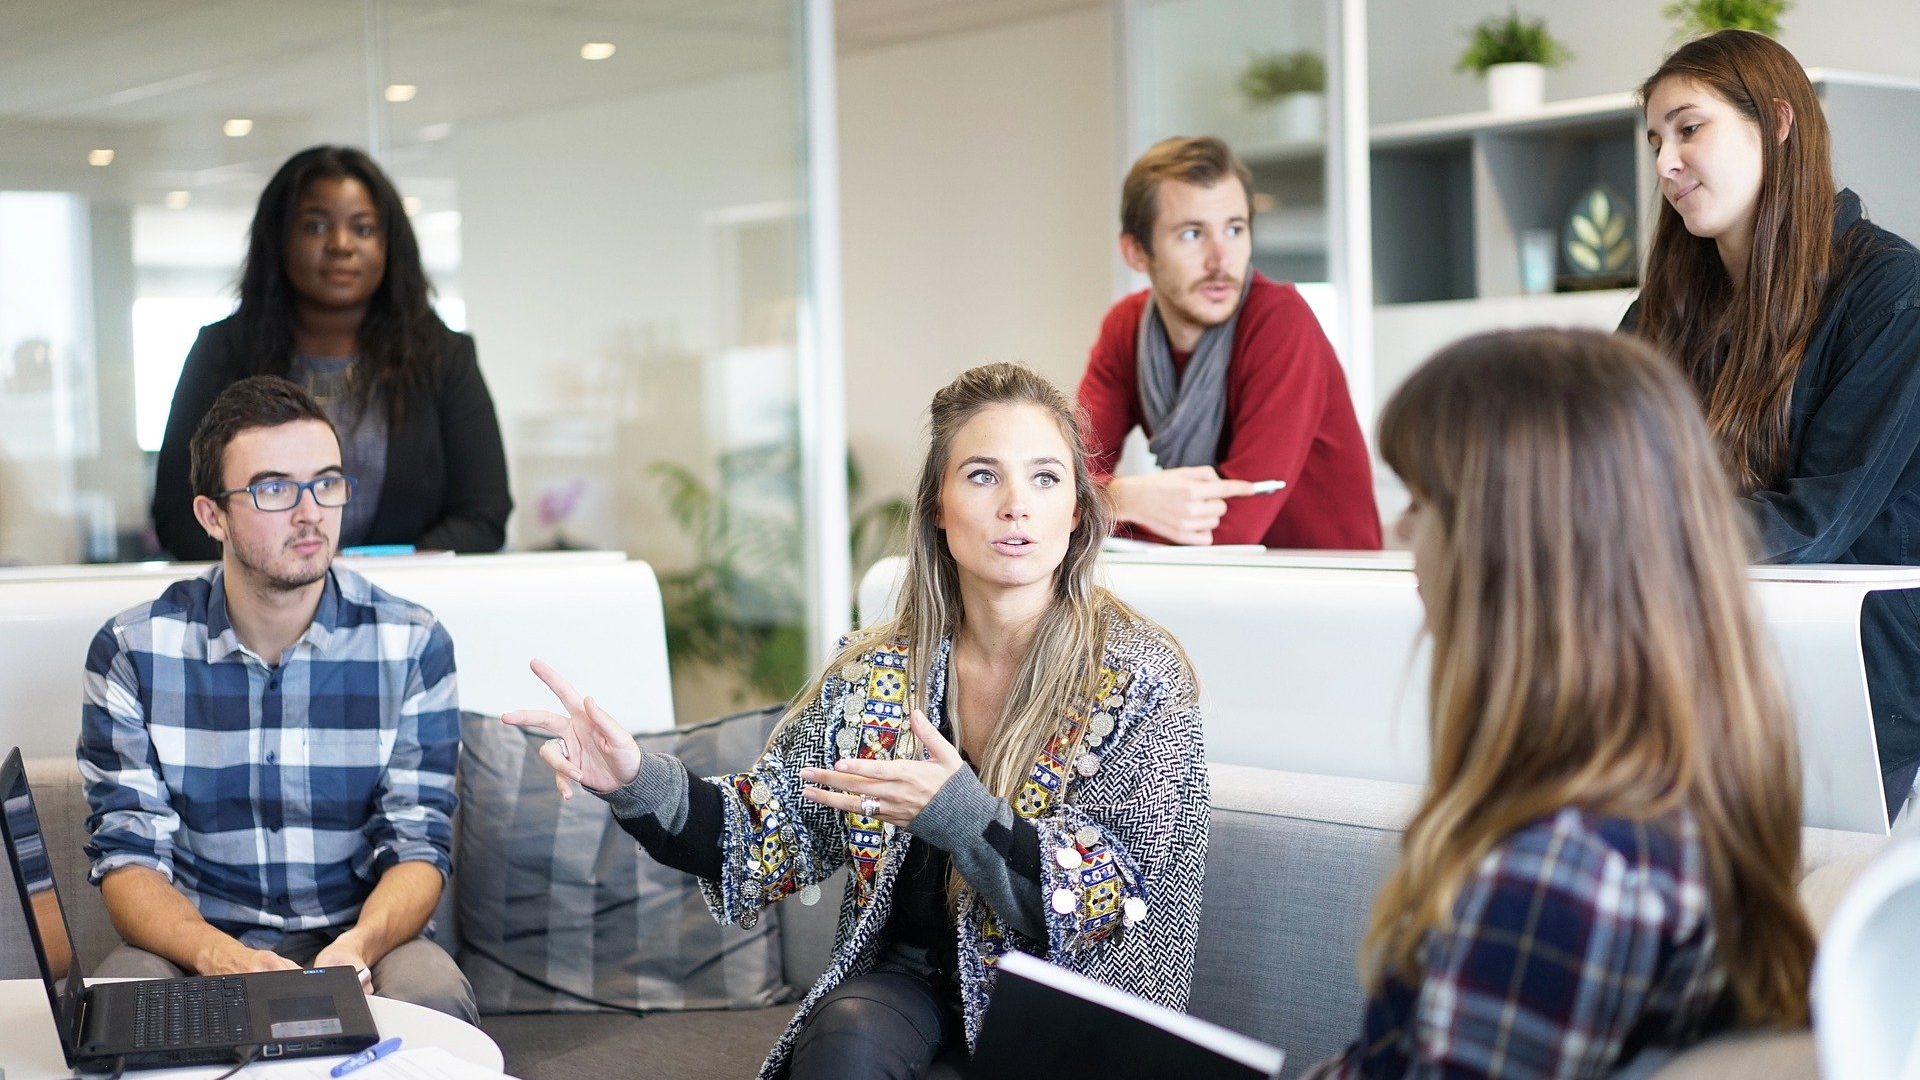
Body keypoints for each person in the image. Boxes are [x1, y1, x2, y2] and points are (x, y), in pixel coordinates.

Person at [507, 363, 1209, 1079]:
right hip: (910, 987)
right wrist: (632, 780)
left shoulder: (1139, 678)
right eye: (981, 476)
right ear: (937, 505)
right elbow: (766, 829)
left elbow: (1118, 902)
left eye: (1045, 478)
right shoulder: (877, 671)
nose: (1015, 506)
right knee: (844, 1043)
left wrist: (961, 814)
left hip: (1062, 1013)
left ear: (1078, 512)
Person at [1305, 329, 1814, 1078]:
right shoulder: (1675, 792)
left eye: (1422, 503)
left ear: (1509, 545)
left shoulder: (1560, 874)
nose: (1403, 534)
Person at [81, 376, 474, 1023]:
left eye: (326, 482)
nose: (310, 512)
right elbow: (127, 857)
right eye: (273, 488)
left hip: (361, 938)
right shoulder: (132, 650)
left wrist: (357, 947)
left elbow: (418, 844)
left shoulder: (412, 643)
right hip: (197, 942)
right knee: (117, 1000)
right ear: (213, 516)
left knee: (430, 994)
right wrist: (219, 956)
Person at [1624, 30, 1920, 822]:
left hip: (1858, 683)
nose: (1665, 164)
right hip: (1701, 662)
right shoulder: (1661, 313)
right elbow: (1599, 471)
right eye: (1656, 140)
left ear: (1779, 123)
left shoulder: (1892, 292)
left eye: (1690, 129)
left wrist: (1623, 536)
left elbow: (1816, 519)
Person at [152, 144, 511, 561]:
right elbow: (178, 517)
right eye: (316, 227)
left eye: (363, 229)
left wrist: (378, 575)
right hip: (260, 613)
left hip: (408, 606)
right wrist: (289, 569)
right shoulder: (222, 353)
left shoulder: (444, 358)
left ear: (389, 245)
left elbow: (483, 515)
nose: (341, 245)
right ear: (279, 238)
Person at [1077, 135, 1379, 549]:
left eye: (1234, 229)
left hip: (1326, 590)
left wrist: (1098, 505)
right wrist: (1124, 497)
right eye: (1191, 234)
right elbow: (1061, 478)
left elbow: (1232, 528)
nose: (1221, 259)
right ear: (1136, 253)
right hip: (1215, 586)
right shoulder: (1126, 328)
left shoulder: (1280, 321)